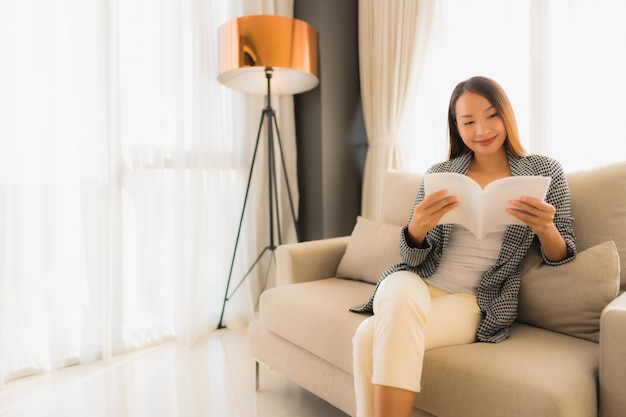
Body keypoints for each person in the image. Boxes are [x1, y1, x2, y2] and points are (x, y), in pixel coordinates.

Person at [350, 76, 577, 417]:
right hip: (415, 281)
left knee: (368, 337)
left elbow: (561, 255)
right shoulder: (441, 173)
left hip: (473, 300)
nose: (482, 129)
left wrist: (545, 228)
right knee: (398, 296)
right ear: (456, 127)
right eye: (468, 121)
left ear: (506, 115)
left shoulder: (543, 170)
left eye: (491, 116)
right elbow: (410, 256)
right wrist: (417, 228)